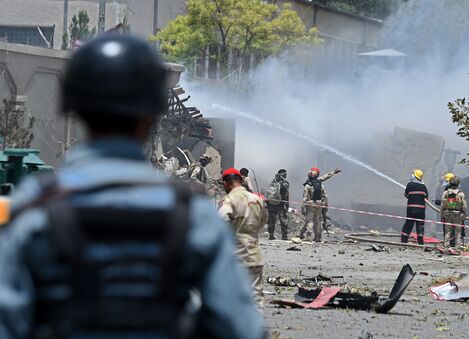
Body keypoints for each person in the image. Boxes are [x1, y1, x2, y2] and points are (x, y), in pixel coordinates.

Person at [0, 35, 263, 339]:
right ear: (151, 115)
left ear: (77, 109)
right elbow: (241, 328)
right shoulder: (193, 216)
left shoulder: (32, 209)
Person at [218, 168, 268, 306]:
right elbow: (262, 222)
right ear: (241, 181)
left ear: (226, 183)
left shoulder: (228, 200)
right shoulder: (257, 199)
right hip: (254, 255)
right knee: (256, 298)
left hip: (235, 256)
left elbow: (220, 222)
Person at [301, 167, 341, 237]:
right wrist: (325, 206)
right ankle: (318, 237)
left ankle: (309, 237)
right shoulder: (320, 183)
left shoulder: (308, 185)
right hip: (319, 204)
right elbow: (325, 195)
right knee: (318, 221)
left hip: (310, 205)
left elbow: (304, 198)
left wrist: (302, 208)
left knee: (310, 221)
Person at [401, 169, 429, 245]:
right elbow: (426, 198)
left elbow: (406, 195)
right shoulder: (424, 186)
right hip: (421, 210)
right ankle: (420, 242)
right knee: (420, 225)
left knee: (408, 224)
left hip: (411, 209)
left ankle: (403, 241)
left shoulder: (409, 185)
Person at [440, 176, 467, 247]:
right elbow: (464, 206)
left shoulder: (445, 193)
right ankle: (457, 247)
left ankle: (446, 246)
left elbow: (442, 205)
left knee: (447, 231)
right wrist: (464, 214)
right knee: (458, 232)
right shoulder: (460, 194)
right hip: (457, 214)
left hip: (447, 213)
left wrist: (442, 215)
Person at [266, 169, 289, 240]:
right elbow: (286, 194)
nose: (286, 175)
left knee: (271, 219)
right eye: (285, 174)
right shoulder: (285, 183)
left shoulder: (273, 181)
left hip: (271, 203)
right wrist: (287, 204)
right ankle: (284, 236)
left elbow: (269, 193)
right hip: (280, 204)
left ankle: (271, 235)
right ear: (283, 174)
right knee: (283, 219)